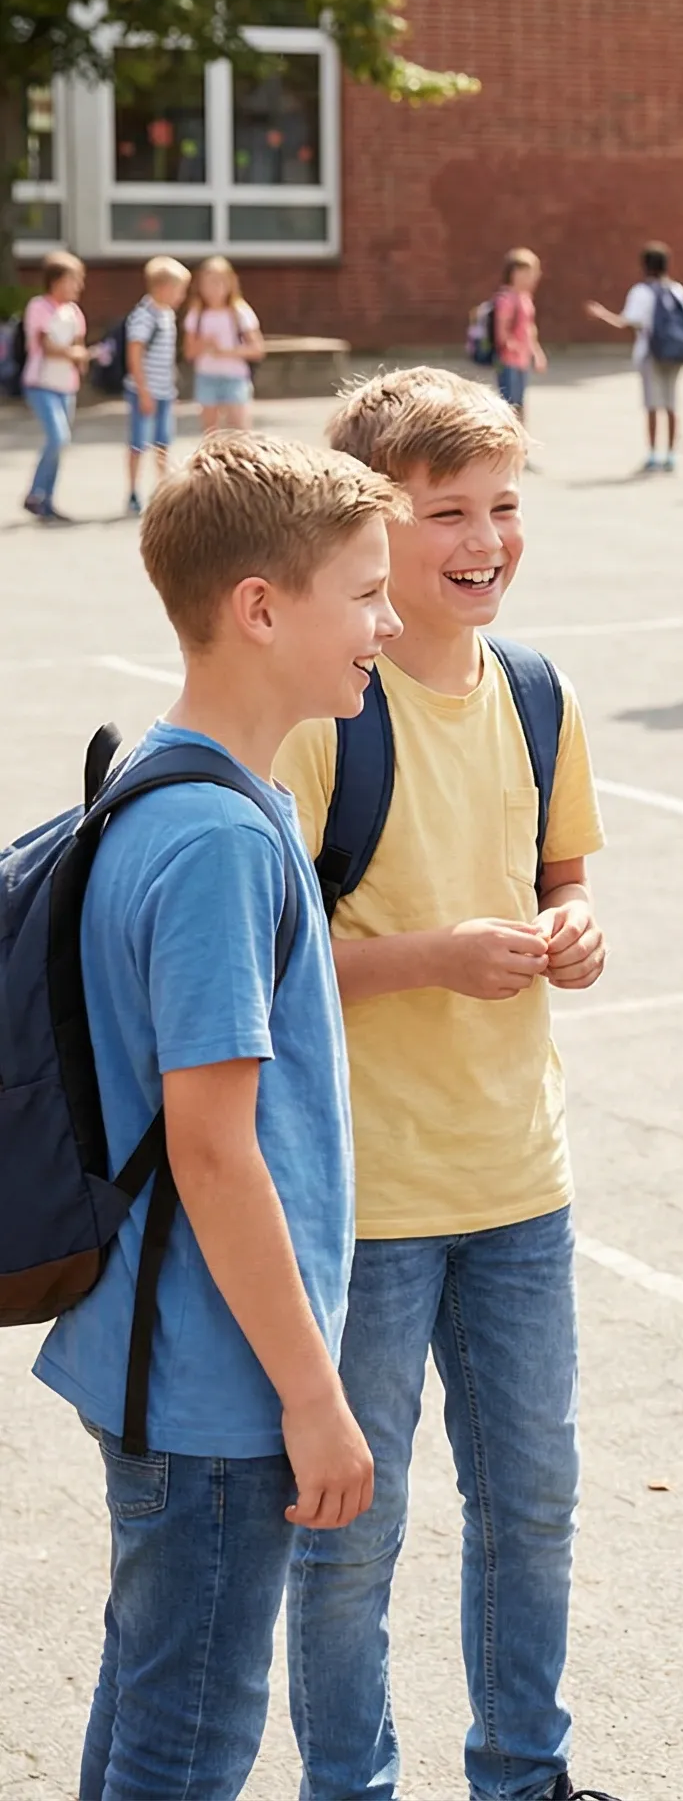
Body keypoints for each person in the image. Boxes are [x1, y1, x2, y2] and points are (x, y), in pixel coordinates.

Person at [33, 433, 405, 1799]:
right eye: (366, 591)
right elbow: (212, 1146)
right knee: (187, 1748)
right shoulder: (220, 845)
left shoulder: (180, 787)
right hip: (211, 1386)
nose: (391, 620)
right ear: (260, 607)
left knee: (151, 1705)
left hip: (168, 1358)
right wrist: (315, 1402)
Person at [273, 368, 611, 1801]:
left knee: (531, 1511)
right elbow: (264, 974)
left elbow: (563, 870)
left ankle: (523, 1776)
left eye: (502, 508)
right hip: (371, 1199)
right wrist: (428, 957)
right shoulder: (321, 721)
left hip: (522, 1186)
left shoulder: (536, 691)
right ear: (367, 526)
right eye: (446, 513)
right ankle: (348, 1786)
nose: (485, 539)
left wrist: (576, 924)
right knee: (353, 1528)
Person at [585, 240, 683, 471]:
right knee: (671, 404)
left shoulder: (641, 292)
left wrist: (601, 314)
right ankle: (671, 455)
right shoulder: (678, 290)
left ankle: (653, 454)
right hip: (675, 353)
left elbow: (625, 321)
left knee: (652, 405)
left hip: (651, 353)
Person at [21, 249, 90, 523]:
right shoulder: (39, 307)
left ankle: (46, 501)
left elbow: (79, 345)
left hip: (66, 386)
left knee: (61, 444)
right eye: (74, 279)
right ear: (56, 280)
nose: (78, 286)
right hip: (41, 383)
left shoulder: (74, 312)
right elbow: (47, 346)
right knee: (57, 437)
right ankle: (35, 493)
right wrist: (73, 354)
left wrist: (82, 359)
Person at [124, 256, 191, 515]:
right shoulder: (143, 316)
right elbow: (134, 355)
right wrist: (143, 391)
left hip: (164, 390)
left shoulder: (167, 315)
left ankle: (164, 490)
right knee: (138, 443)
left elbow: (166, 356)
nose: (182, 296)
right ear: (163, 288)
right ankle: (132, 491)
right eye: (179, 290)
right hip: (144, 390)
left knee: (163, 442)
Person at [184, 256, 264, 433]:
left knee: (240, 431)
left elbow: (257, 349)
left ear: (230, 284)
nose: (213, 289)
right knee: (210, 433)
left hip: (234, 377)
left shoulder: (239, 311)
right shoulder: (196, 314)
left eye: (219, 282)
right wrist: (203, 344)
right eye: (208, 283)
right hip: (207, 377)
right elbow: (189, 353)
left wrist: (226, 352)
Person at [492, 247, 547, 419]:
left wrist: (537, 353)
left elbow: (529, 328)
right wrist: (511, 345)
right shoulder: (505, 299)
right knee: (510, 404)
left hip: (521, 361)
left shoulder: (525, 298)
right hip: (508, 361)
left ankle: (520, 440)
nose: (533, 278)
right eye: (529, 273)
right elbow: (501, 331)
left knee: (520, 403)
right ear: (515, 273)